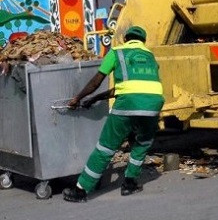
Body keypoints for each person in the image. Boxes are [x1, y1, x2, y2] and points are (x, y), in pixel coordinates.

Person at [63, 25, 164, 202]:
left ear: (125, 39)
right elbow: (129, 87)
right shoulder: (150, 56)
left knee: (106, 147)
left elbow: (96, 82)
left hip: (128, 104)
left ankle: (81, 190)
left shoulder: (116, 52)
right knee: (142, 143)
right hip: (153, 104)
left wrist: (78, 98)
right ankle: (130, 184)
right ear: (143, 41)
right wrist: (95, 99)